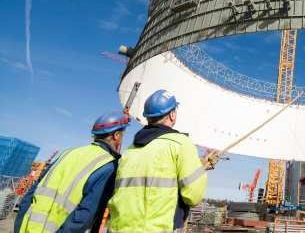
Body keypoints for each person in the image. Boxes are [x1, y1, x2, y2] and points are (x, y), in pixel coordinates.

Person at [107, 90, 218, 232]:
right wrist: (199, 170)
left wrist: (197, 165)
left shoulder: (131, 149)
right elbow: (193, 196)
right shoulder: (181, 143)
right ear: (172, 114)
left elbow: (152, 176)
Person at [15, 111, 129, 233]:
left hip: (26, 227)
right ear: (116, 135)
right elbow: (84, 215)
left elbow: (32, 192)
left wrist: (19, 225)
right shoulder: (108, 165)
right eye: (122, 135)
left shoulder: (67, 153)